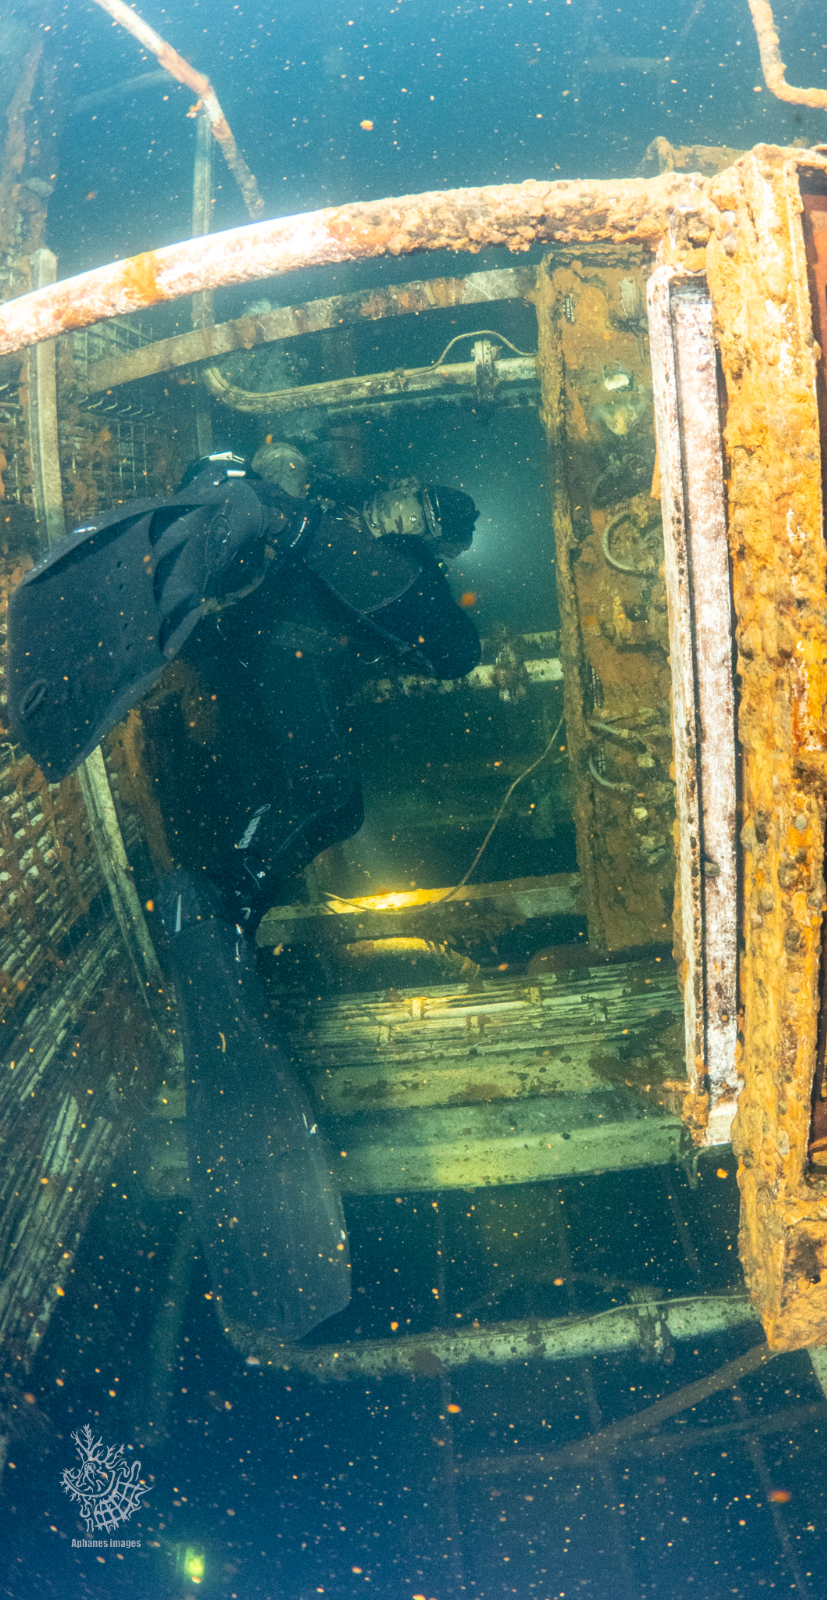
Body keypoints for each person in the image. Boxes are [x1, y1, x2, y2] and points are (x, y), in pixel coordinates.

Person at [5, 449, 482, 1341]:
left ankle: (219, 895)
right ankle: (217, 894)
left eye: (420, 516)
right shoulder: (300, 517)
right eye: (406, 495)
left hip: (263, 705)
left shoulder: (358, 558)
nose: (400, 511)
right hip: (247, 684)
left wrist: (323, 532)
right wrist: (277, 507)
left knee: (324, 789)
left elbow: (452, 649)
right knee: (326, 794)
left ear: (432, 543)